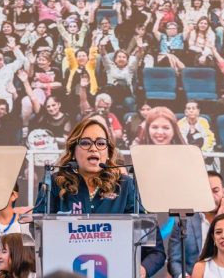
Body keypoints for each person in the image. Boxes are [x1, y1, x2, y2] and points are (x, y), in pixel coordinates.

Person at [33, 117, 166, 277]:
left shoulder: (125, 186)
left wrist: (142, 270)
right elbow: (37, 233)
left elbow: (156, 252)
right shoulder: (55, 184)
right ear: (73, 150)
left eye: (101, 143)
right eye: (85, 142)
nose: (93, 148)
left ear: (108, 153)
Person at [168, 171, 224, 278]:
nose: (211, 197)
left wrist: (220, 221)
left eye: (215, 191)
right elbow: (174, 260)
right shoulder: (183, 221)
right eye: (206, 192)